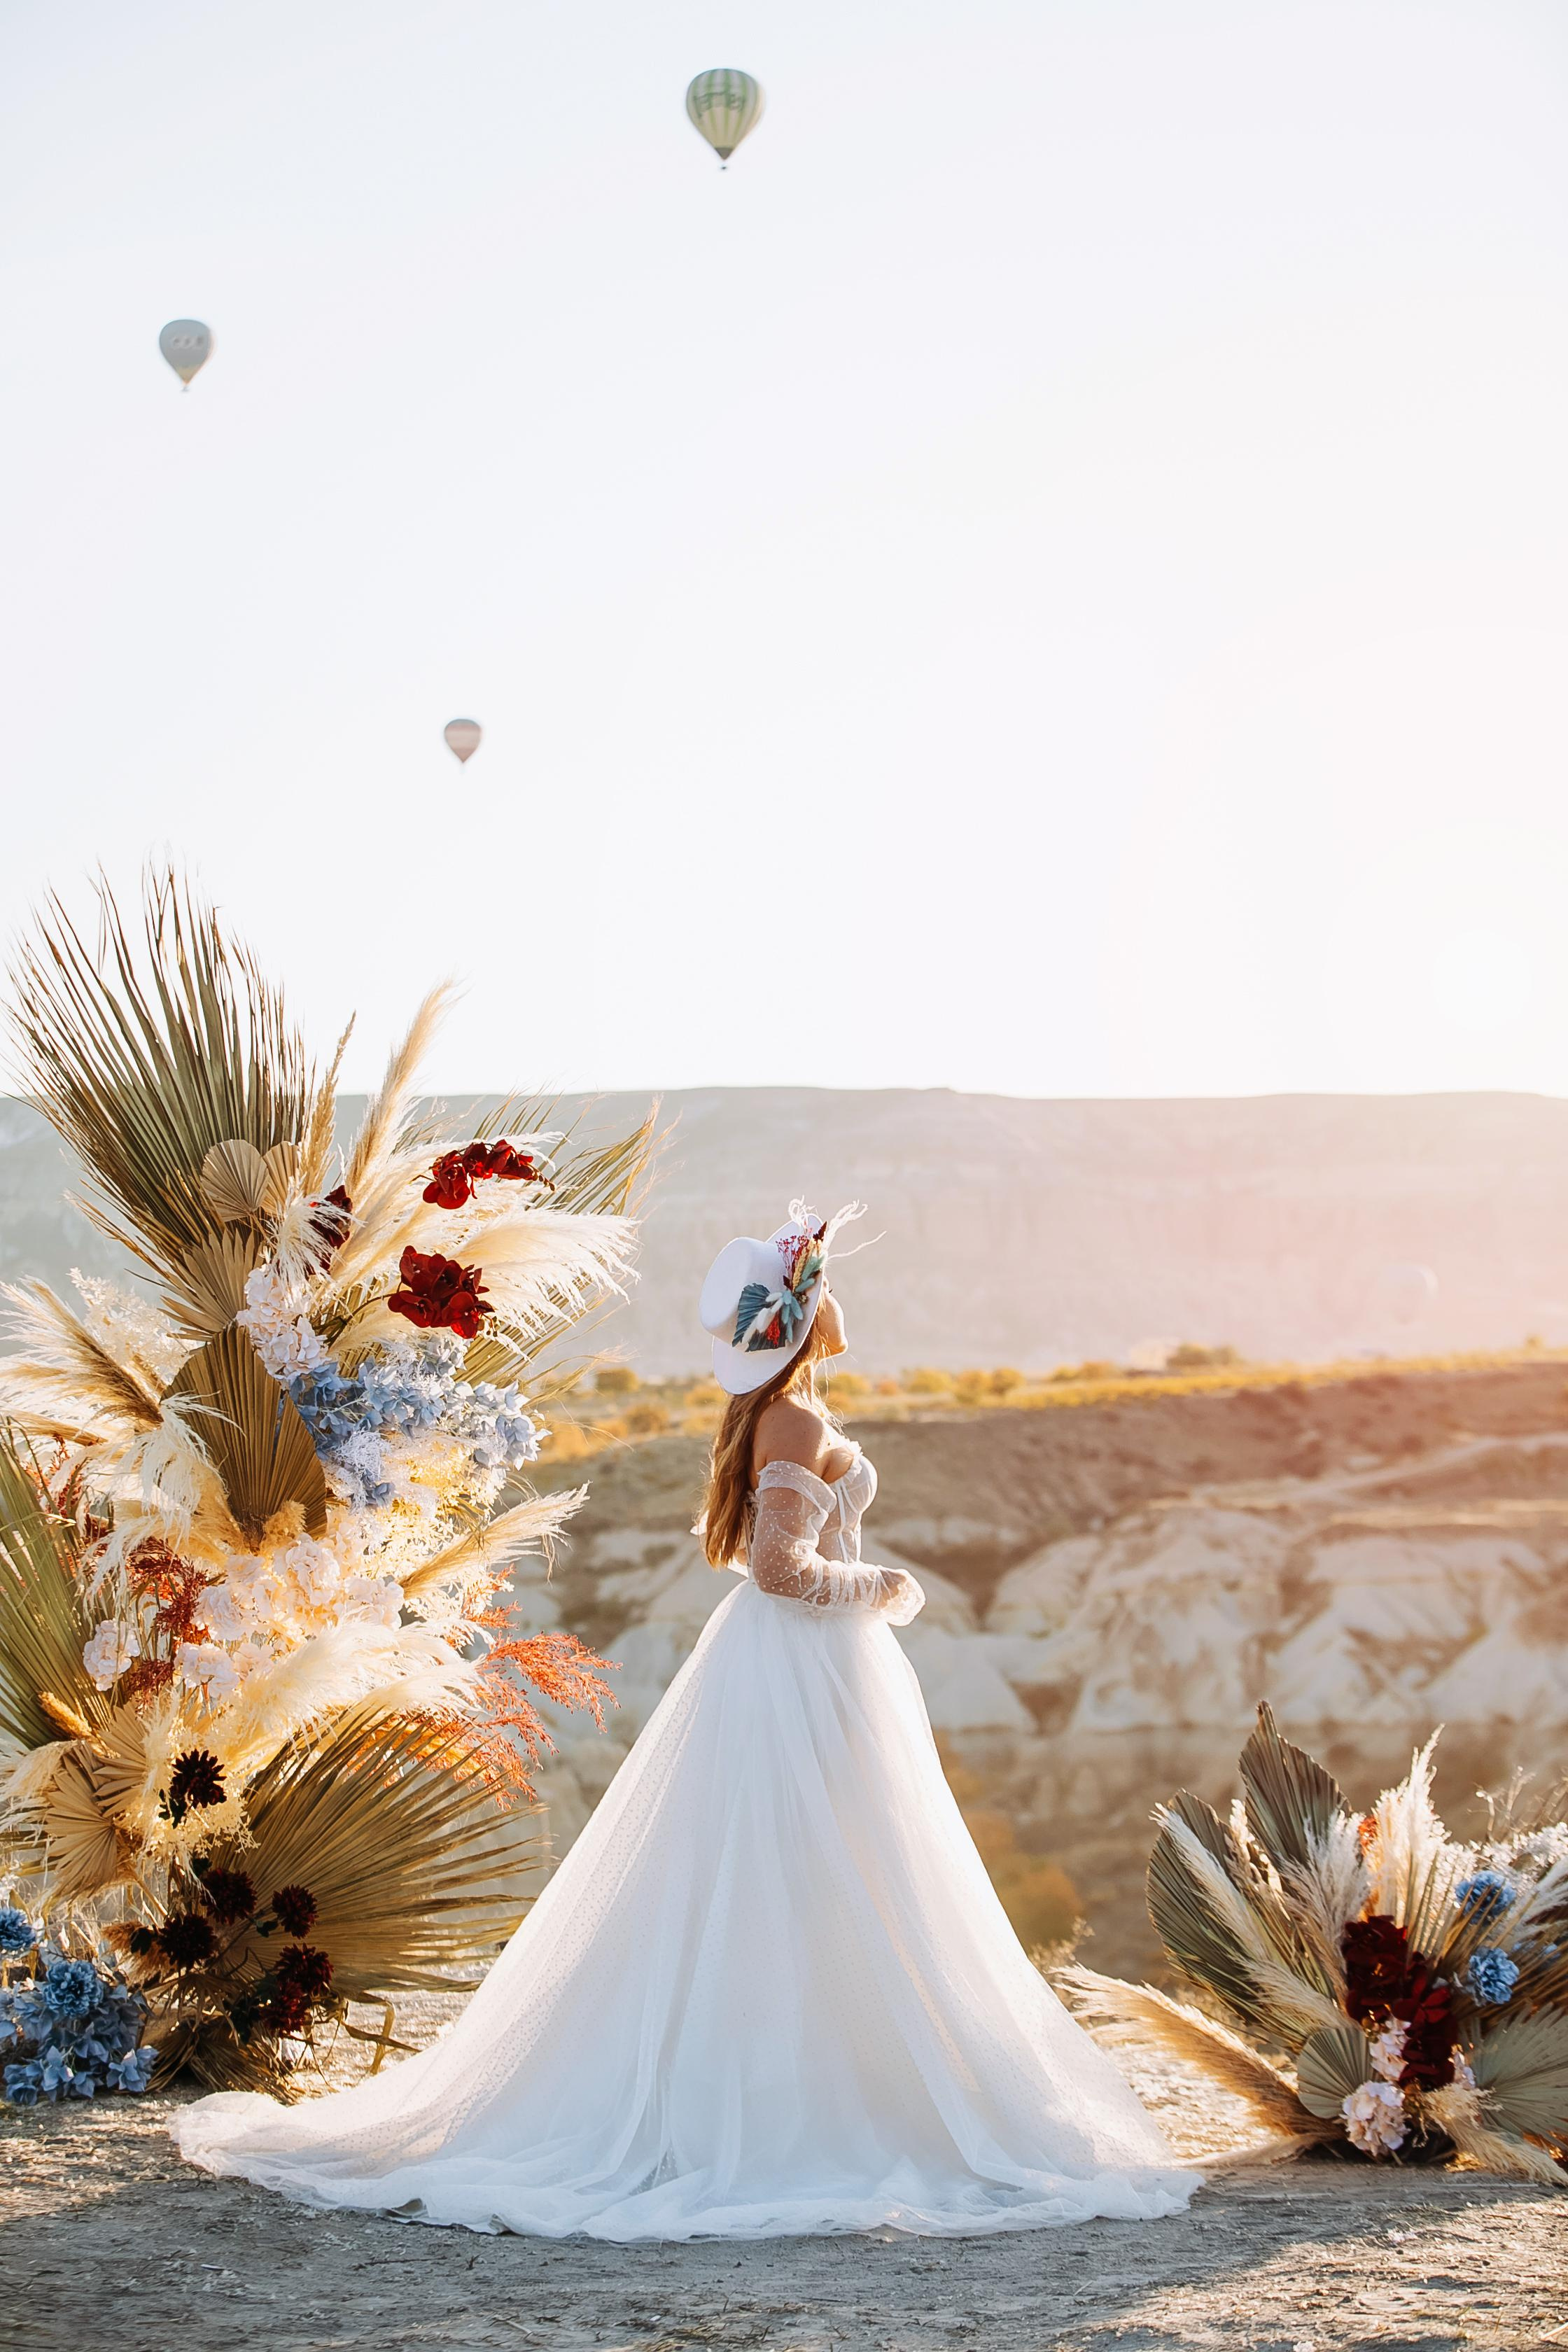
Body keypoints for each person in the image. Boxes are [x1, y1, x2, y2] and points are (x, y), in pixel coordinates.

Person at [173, 1203, 1197, 2239]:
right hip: (803, 1662)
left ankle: (800, 2075)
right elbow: (780, 1568)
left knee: (814, 1871)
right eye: (825, 1288)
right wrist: (884, 1583)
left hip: (797, 1666)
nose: (841, 1304)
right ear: (805, 1313)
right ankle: (788, 2107)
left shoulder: (776, 1412)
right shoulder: (792, 1419)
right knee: (813, 1867)